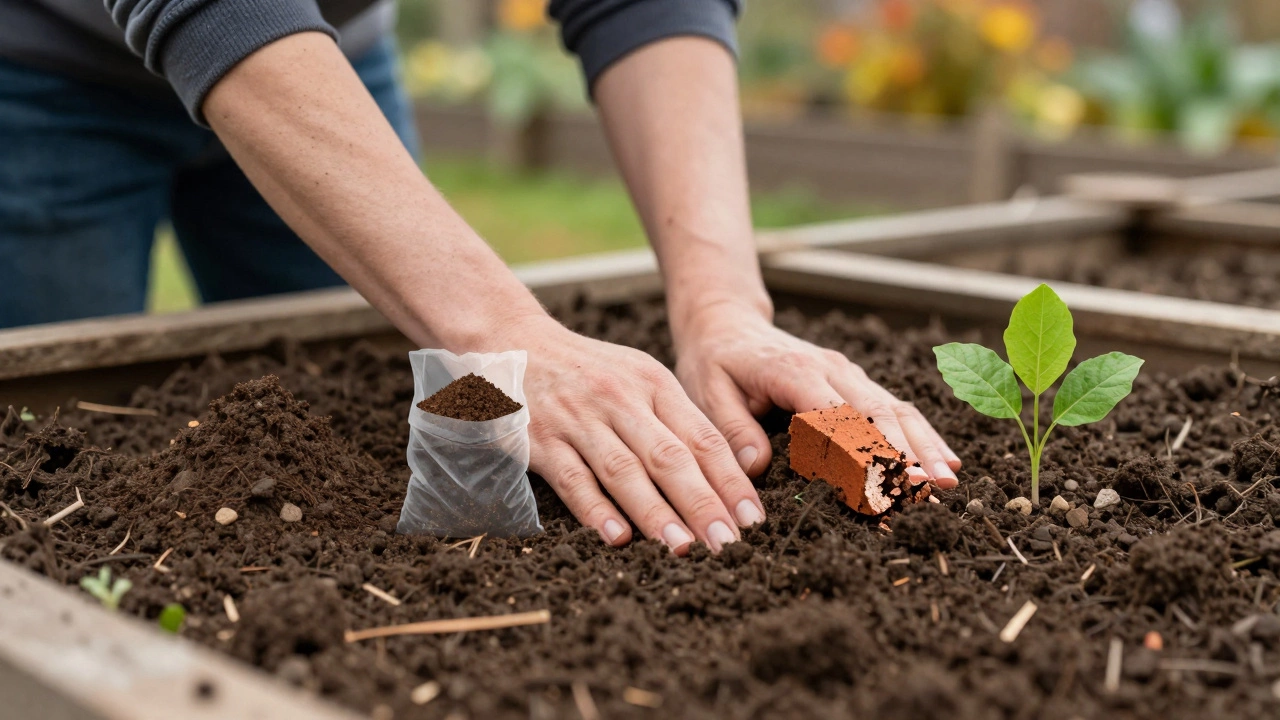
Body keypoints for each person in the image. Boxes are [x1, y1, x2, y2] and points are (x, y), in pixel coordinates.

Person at [0, 0, 960, 554]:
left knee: (322, 407)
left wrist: (722, 304)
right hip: (38, 66)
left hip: (321, 47)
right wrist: (511, 332)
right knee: (49, 462)